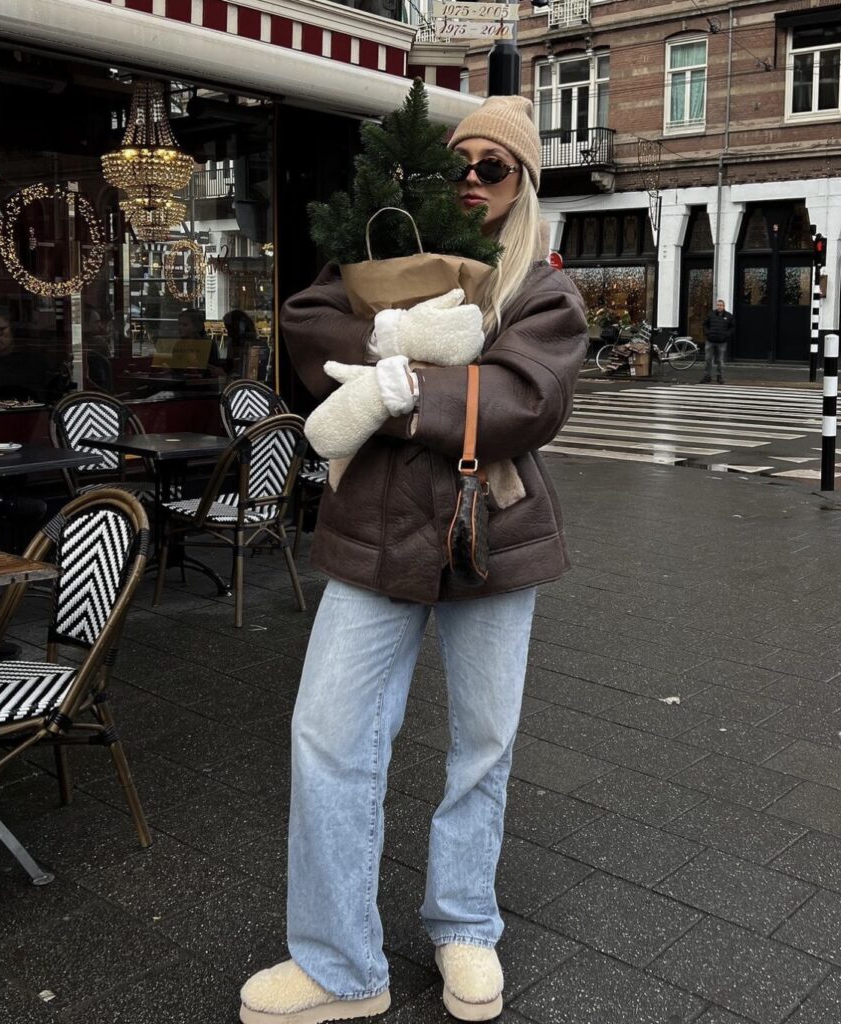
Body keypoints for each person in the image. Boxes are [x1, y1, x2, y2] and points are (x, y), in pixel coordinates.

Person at [238, 96, 587, 1024]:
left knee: (483, 745)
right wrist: (407, 349)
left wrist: (382, 392)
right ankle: (339, 963)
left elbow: (522, 400)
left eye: (494, 166)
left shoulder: (542, 289)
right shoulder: (377, 255)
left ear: (525, 185)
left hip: (491, 538)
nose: (471, 179)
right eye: (457, 163)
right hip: (373, 534)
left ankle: (465, 923)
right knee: (328, 736)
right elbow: (309, 321)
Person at [701, 298, 734, 384]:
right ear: (716, 306)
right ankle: (707, 376)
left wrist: (727, 335)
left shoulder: (729, 316)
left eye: (721, 305)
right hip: (710, 340)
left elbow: (733, 327)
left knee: (720, 360)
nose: (719, 307)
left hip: (722, 342)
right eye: (718, 305)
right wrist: (707, 333)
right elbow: (705, 324)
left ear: (724, 306)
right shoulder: (711, 314)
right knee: (708, 359)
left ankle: (720, 377)